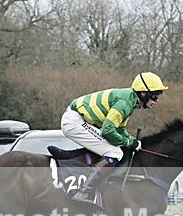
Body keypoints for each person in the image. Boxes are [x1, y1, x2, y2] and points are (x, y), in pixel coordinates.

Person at [61, 72, 168, 202]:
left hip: (78, 119)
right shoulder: (124, 103)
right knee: (115, 152)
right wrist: (128, 143)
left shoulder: (129, 99)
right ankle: (84, 191)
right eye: (155, 97)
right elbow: (108, 131)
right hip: (75, 121)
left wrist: (132, 141)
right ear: (143, 94)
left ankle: (68, 158)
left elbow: (119, 129)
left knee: (112, 146)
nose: (156, 102)